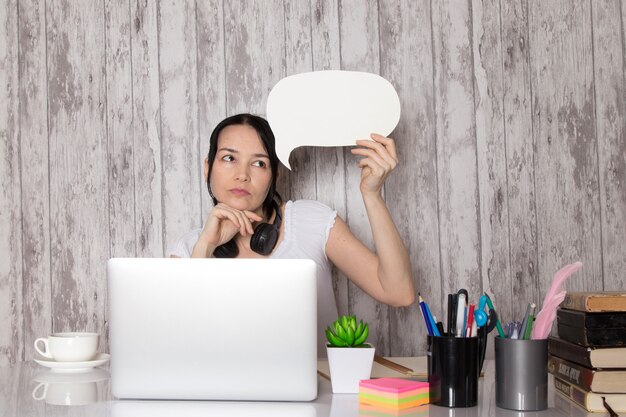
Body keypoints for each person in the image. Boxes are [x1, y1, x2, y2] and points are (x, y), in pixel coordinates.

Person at [168, 113, 415, 355]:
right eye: (229, 158)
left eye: (259, 163)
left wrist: (372, 195)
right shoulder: (191, 249)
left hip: (316, 393)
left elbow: (398, 292)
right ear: (207, 168)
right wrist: (206, 246)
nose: (242, 174)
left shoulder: (312, 222)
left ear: (275, 175)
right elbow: (174, 342)